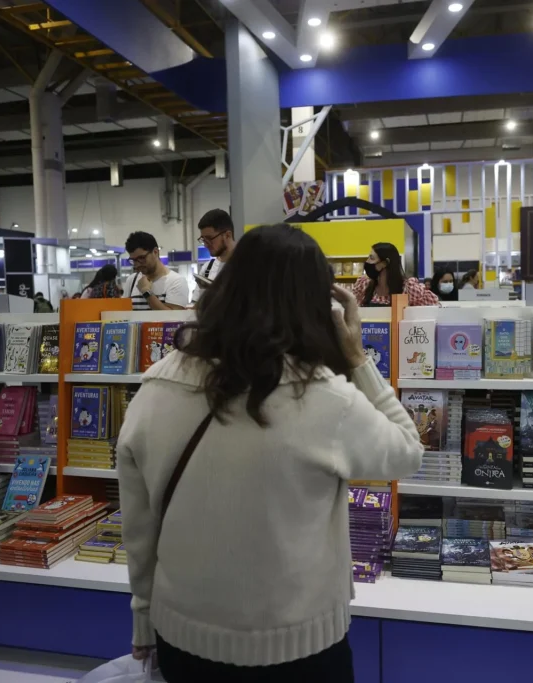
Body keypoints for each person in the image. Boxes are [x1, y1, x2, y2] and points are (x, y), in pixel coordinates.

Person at [117, 223, 423, 683]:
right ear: (314, 305)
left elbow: (139, 523)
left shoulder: (157, 384)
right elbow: (407, 452)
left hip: (182, 635)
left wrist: (143, 614)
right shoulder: (325, 397)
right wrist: (358, 359)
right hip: (300, 646)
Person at [352, 242, 438, 306]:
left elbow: (434, 306)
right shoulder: (364, 285)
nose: (367, 262)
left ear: (385, 263)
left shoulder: (408, 289)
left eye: (371, 258)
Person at [122, 231, 189, 310]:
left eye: (141, 258)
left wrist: (146, 292)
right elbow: (126, 314)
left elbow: (173, 318)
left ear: (155, 252)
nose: (138, 264)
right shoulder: (132, 280)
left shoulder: (176, 281)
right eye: (133, 260)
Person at [196, 209, 237, 284]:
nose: (205, 245)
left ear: (227, 235)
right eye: (203, 239)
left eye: (209, 239)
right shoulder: (207, 269)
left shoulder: (249, 266)